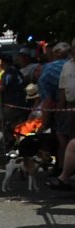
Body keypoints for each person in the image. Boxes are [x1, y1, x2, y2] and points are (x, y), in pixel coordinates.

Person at [38, 42, 72, 174]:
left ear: (54, 54)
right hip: (67, 106)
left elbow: (47, 100)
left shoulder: (48, 70)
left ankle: (63, 169)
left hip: (64, 108)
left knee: (63, 138)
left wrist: (44, 124)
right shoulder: (71, 65)